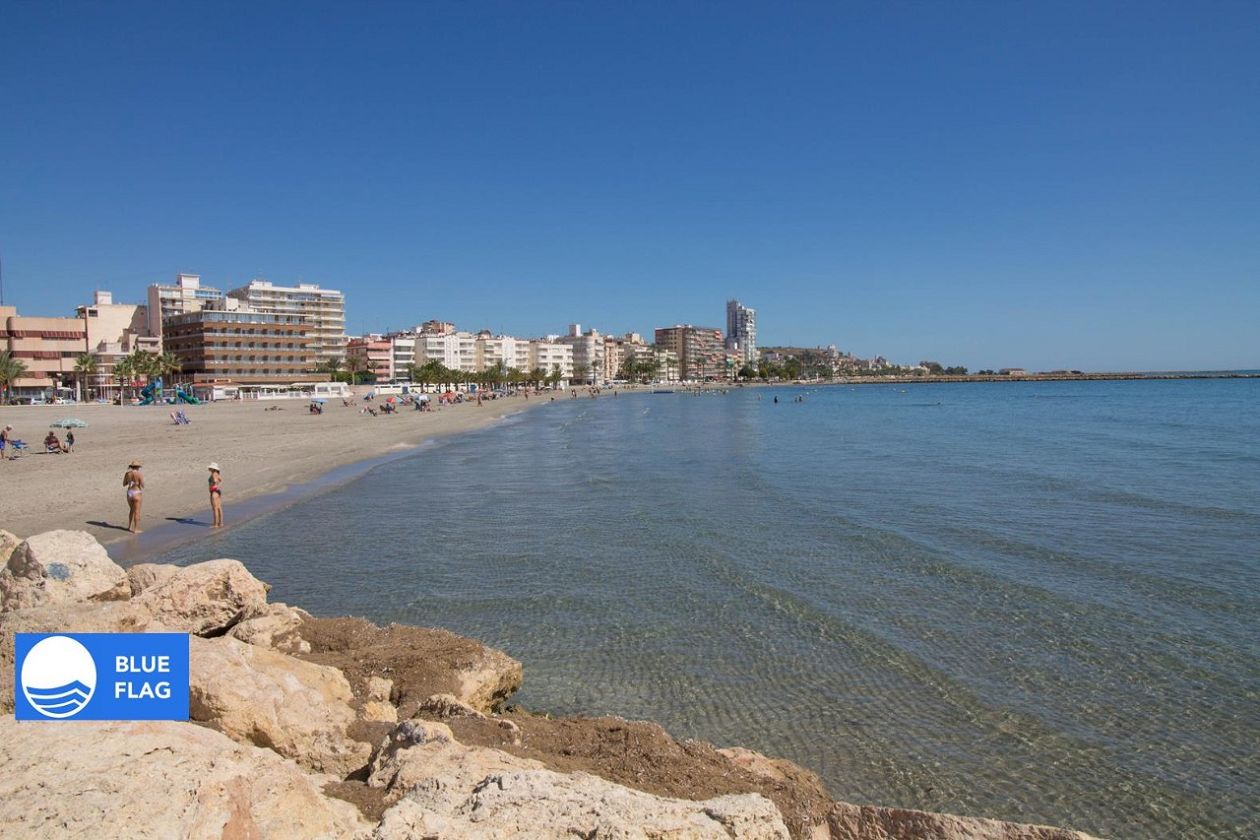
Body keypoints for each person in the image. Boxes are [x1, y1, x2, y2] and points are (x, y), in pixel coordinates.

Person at [123, 459, 145, 533]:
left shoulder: (127, 474)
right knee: (137, 511)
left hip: (129, 492)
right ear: (138, 467)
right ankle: (136, 529)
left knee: (132, 510)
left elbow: (124, 484)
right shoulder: (140, 474)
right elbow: (142, 485)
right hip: (137, 492)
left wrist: (130, 482)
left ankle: (129, 526)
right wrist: (137, 483)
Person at [207, 463, 223, 527]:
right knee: (219, 507)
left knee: (215, 508)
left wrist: (214, 483)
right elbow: (220, 480)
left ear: (212, 468)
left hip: (214, 492)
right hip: (218, 491)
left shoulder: (213, 474)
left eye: (210, 468)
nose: (209, 468)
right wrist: (217, 483)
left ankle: (215, 524)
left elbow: (215, 481)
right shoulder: (217, 473)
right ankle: (221, 523)